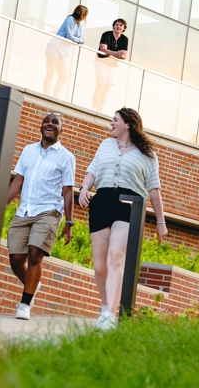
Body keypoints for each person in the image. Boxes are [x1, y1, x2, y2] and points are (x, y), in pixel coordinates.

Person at [77, 107, 168, 330]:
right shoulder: (105, 145)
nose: (111, 123)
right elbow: (93, 171)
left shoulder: (147, 153)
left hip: (129, 206)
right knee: (99, 266)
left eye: (115, 120)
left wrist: (160, 221)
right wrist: (84, 187)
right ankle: (106, 306)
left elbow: (154, 189)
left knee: (115, 256)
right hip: (101, 203)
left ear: (127, 124)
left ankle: (109, 315)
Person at [5, 112, 75, 321]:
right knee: (16, 259)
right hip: (24, 210)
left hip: (49, 212)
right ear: (41, 126)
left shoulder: (66, 157)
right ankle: (32, 285)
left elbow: (68, 191)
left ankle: (25, 303)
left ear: (61, 130)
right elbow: (18, 181)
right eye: (46, 121)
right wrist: (0, 205)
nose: (50, 124)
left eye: (55, 122)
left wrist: (69, 222)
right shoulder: (28, 151)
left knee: (35, 253)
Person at [43, 5, 87, 97]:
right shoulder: (70, 19)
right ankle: (46, 95)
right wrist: (80, 40)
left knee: (63, 78)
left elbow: (80, 37)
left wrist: (80, 40)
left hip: (61, 52)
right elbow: (70, 36)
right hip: (54, 47)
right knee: (50, 74)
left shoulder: (79, 25)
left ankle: (54, 97)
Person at [92, 18, 130, 108]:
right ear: (113, 26)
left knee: (106, 89)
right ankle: (93, 108)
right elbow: (102, 49)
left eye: (121, 25)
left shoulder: (125, 39)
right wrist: (116, 53)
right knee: (100, 85)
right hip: (101, 62)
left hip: (113, 66)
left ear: (124, 28)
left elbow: (124, 56)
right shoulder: (106, 34)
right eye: (117, 24)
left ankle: (100, 109)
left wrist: (110, 52)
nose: (118, 26)